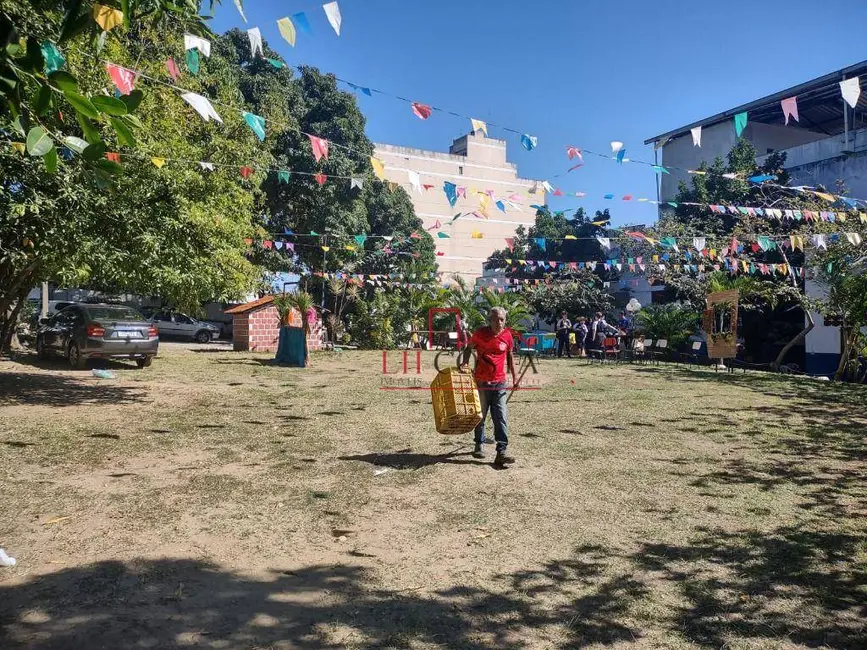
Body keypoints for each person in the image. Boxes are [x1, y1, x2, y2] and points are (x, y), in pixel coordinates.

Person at [460, 307, 517, 467]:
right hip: (481, 382)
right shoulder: (480, 334)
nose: (499, 322)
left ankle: (501, 451)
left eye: (502, 319)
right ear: (489, 320)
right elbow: (468, 348)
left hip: (499, 383)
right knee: (480, 415)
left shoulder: (507, 335)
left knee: (500, 416)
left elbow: (510, 355)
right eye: (495, 319)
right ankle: (479, 443)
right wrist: (465, 363)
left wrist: (514, 376)